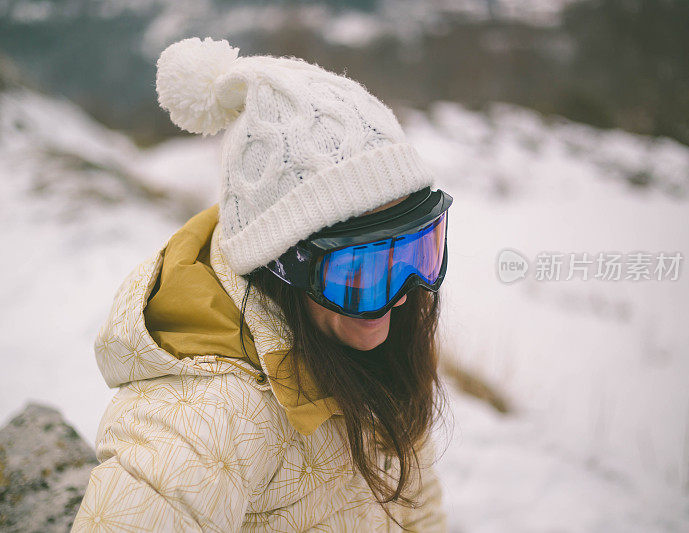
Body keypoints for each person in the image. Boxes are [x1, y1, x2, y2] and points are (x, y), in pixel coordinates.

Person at [73, 36, 451, 532]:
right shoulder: (210, 416)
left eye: (419, 250)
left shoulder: (374, 344)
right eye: (362, 269)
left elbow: (416, 511)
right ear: (282, 265)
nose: (404, 291)